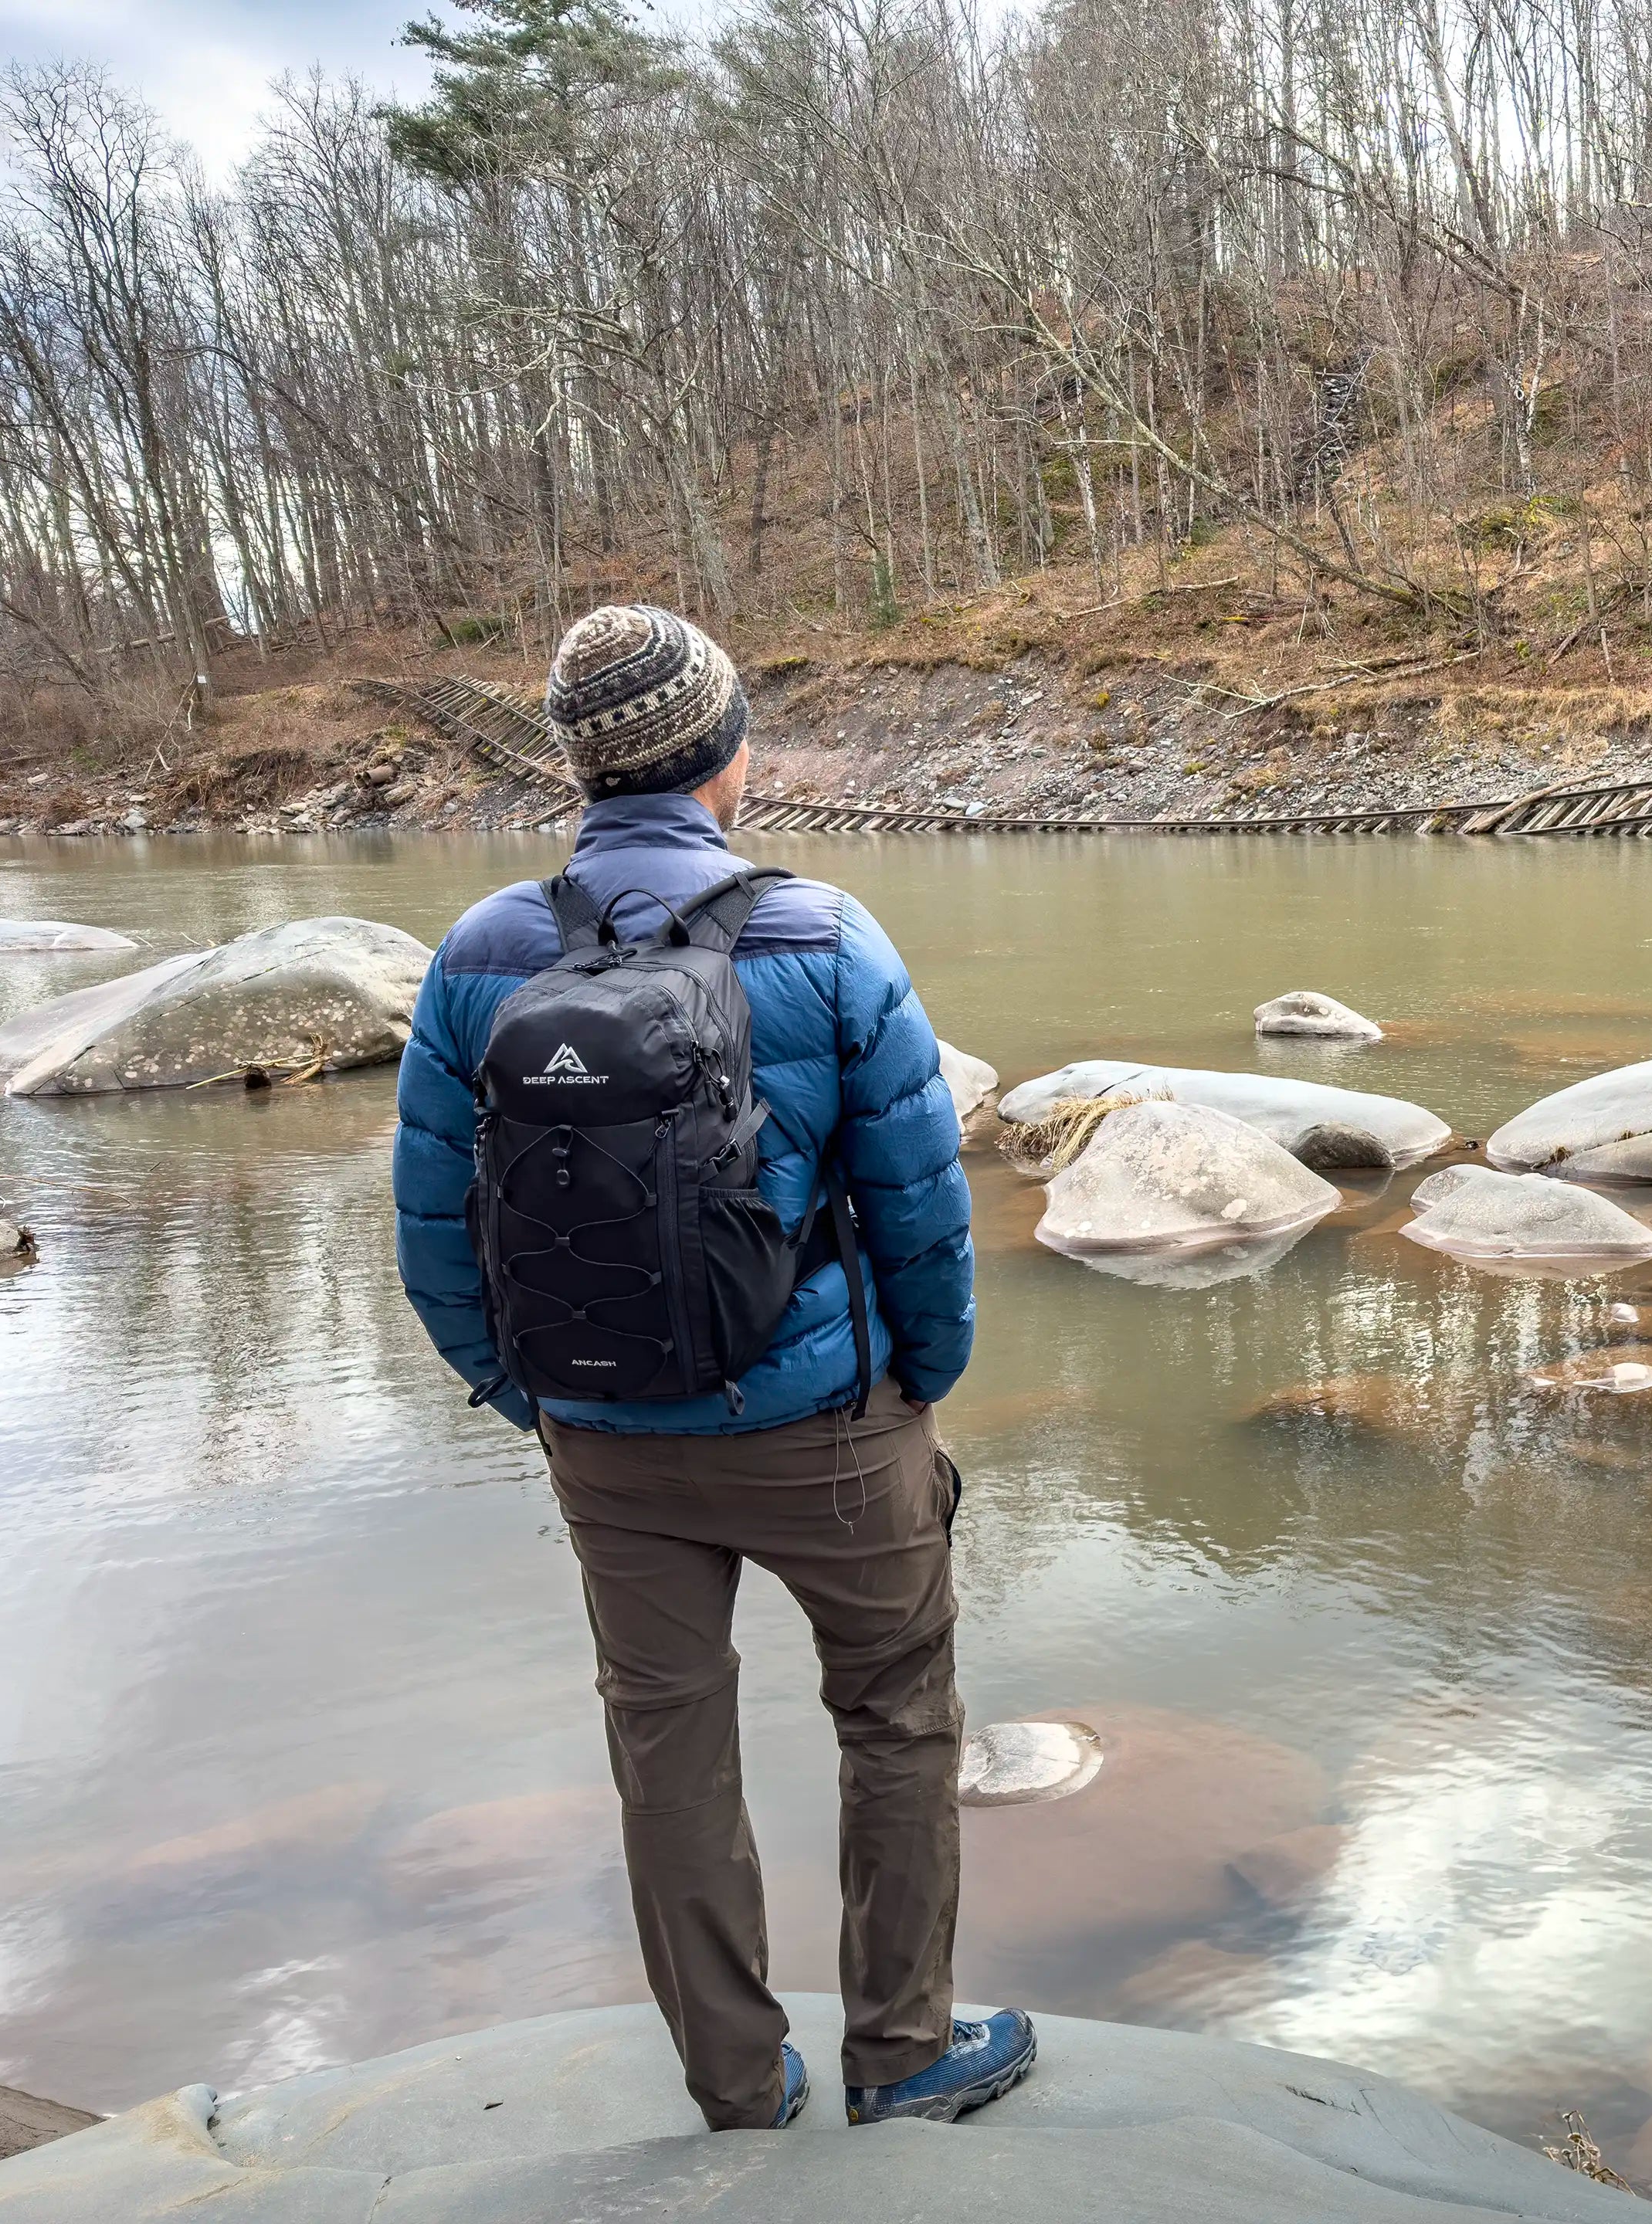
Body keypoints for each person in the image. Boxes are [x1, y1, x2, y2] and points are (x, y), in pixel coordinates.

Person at [392, 604, 1031, 2132]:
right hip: (826, 1427)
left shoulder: (480, 953)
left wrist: (529, 1396)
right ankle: (901, 2054)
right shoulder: (823, 934)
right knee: (895, 1718)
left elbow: (431, 1231)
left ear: (580, 768)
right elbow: (922, 1209)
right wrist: (915, 1386)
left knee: (666, 1742)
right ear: (727, 757)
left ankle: (738, 2083)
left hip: (602, 1436)